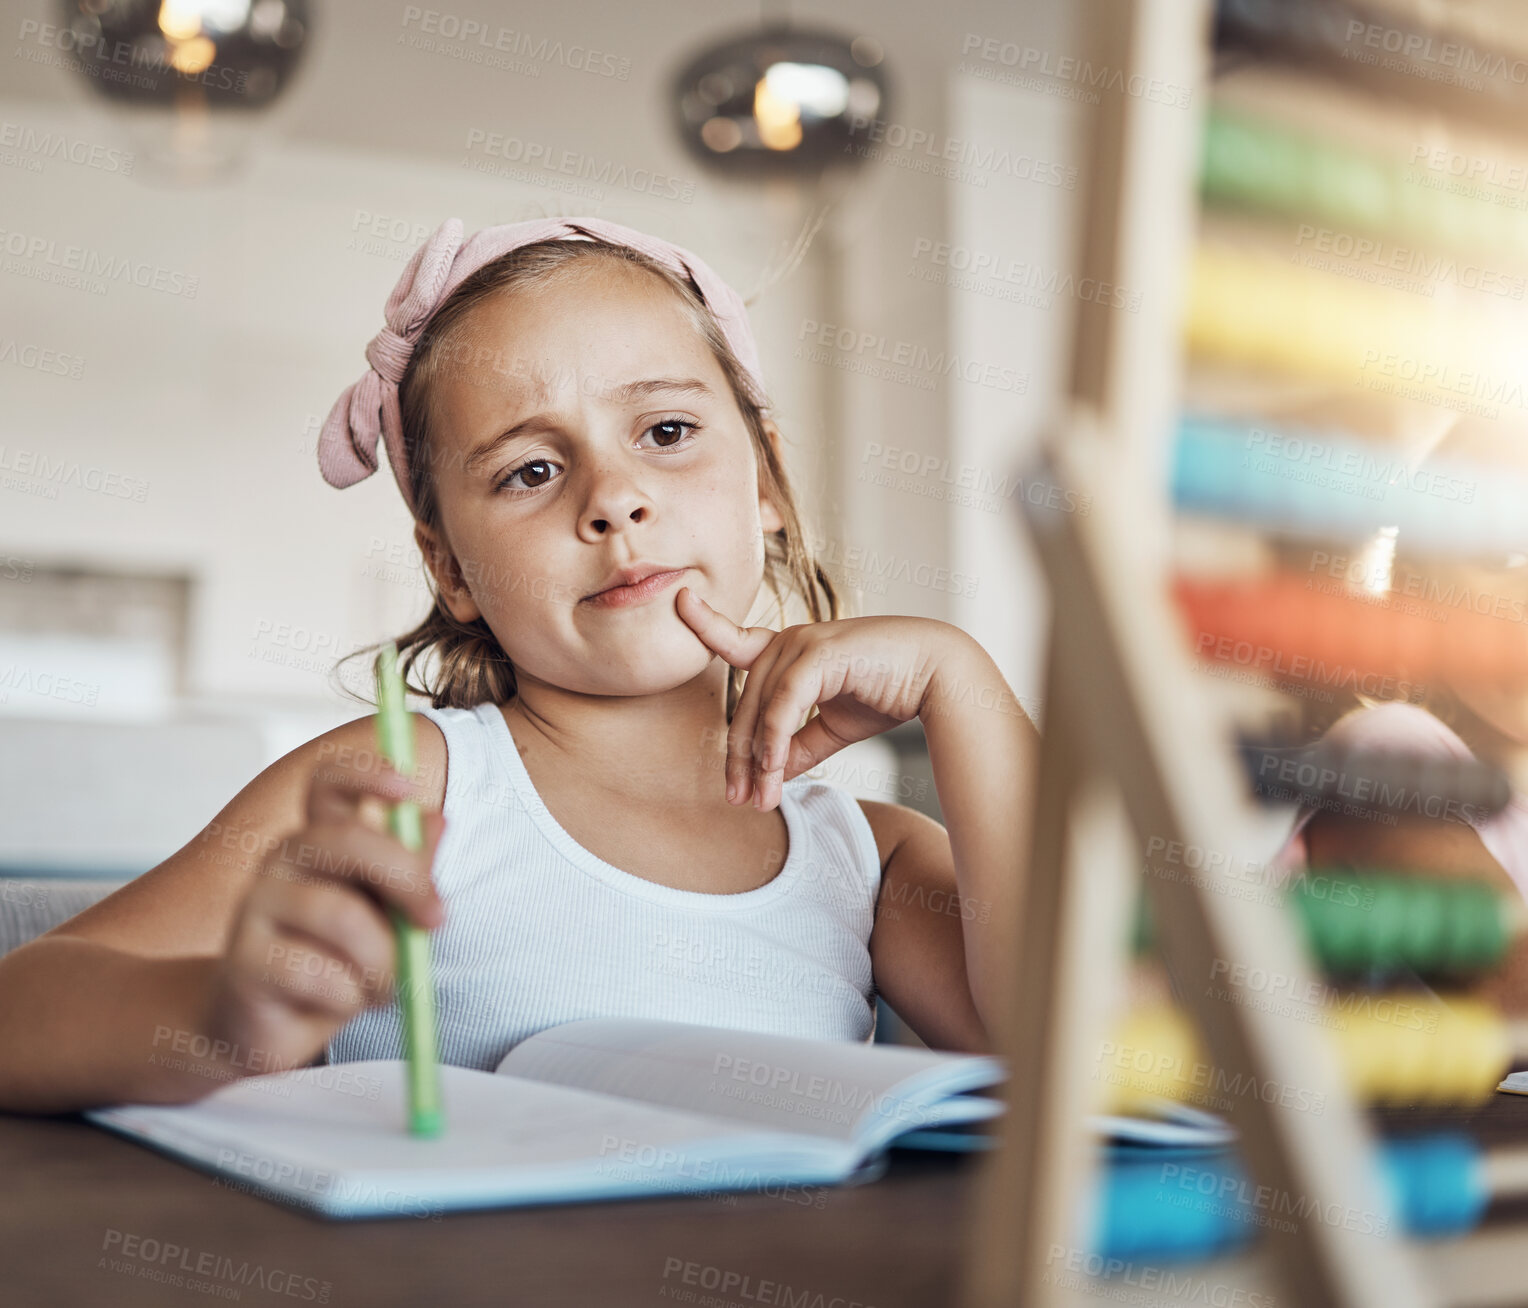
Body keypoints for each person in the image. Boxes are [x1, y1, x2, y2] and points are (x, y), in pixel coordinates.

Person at [0, 217, 1037, 1112]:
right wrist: (218, 1015)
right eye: (531, 469)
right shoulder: (396, 783)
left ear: (763, 480)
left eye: (666, 430)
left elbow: (1073, 1056)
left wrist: (966, 687)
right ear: (449, 567)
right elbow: (19, 1016)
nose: (613, 497)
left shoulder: (871, 857)